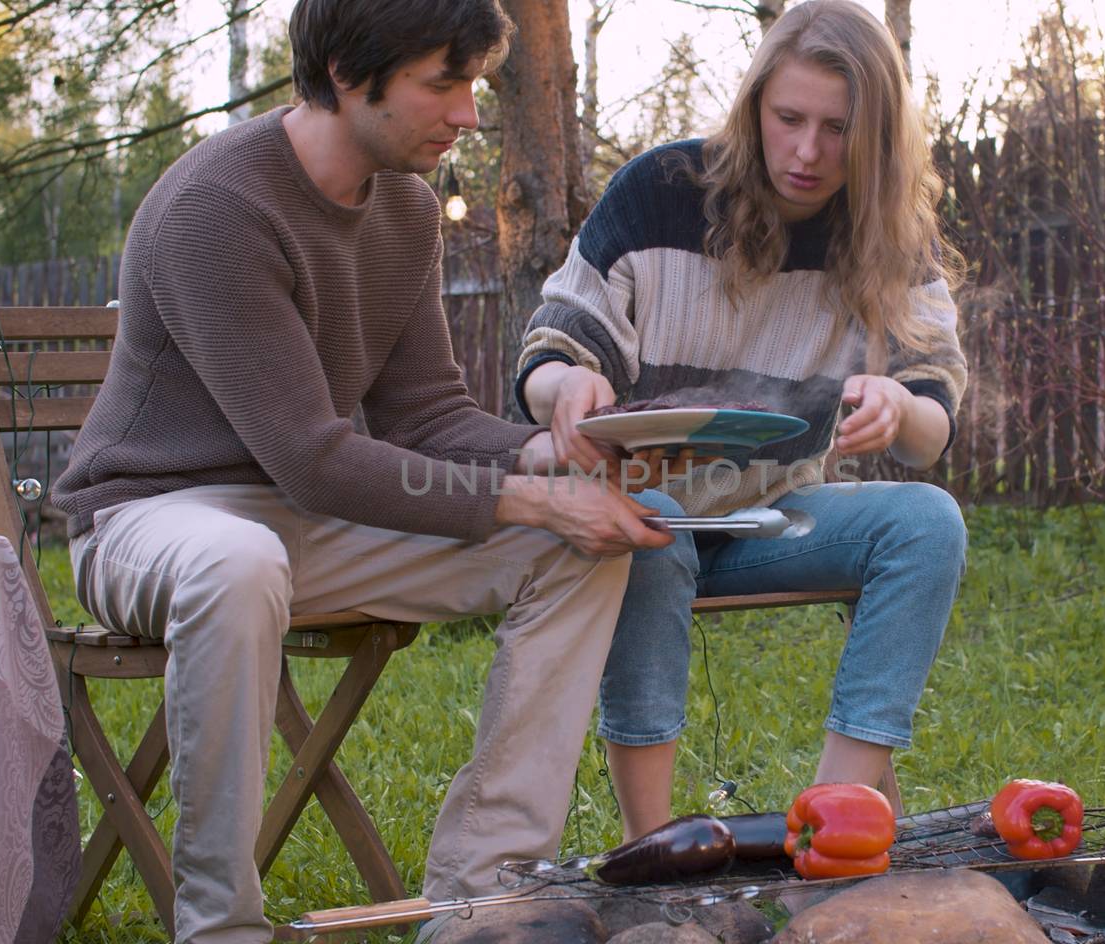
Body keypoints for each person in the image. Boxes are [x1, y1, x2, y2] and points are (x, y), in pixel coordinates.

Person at [51, 0, 671, 939]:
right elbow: (313, 457)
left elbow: (427, 416)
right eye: (442, 83)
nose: (468, 112)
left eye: (471, 85)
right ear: (347, 74)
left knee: (577, 547)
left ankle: (484, 896)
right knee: (237, 559)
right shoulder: (216, 208)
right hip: (152, 517)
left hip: (303, 520)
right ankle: (220, 925)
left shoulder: (406, 210)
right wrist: (529, 495)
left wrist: (560, 452)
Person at [514, 0, 969, 842]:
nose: (807, 151)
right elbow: (556, 345)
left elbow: (931, 417)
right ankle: (655, 848)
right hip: (653, 509)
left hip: (776, 519)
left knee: (927, 524)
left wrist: (901, 406)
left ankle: (832, 824)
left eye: (838, 128)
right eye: (789, 118)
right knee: (653, 521)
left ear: (875, 135)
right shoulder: (659, 192)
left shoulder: (888, 228)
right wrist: (563, 388)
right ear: (755, 104)